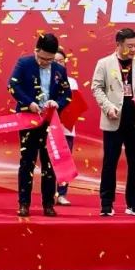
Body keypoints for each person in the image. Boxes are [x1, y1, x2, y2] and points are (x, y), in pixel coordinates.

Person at [91, 27, 135, 217]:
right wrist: (107, 107)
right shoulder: (104, 63)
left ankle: (134, 203)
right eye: (129, 46)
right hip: (114, 117)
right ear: (118, 44)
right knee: (110, 162)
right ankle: (106, 203)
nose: (133, 49)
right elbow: (96, 88)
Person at [8, 33, 72, 217]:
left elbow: (67, 94)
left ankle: (48, 204)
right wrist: (29, 103)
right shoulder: (24, 63)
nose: (45, 62)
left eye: (49, 59)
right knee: (27, 162)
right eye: (42, 58)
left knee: (49, 163)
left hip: (50, 122)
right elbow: (13, 86)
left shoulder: (59, 69)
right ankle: (24, 204)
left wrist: (57, 103)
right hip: (28, 119)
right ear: (36, 50)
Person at [53, 48, 79, 206]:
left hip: (67, 128)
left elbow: (74, 105)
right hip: (50, 128)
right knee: (50, 162)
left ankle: (62, 194)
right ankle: (50, 194)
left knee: (65, 162)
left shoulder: (71, 82)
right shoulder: (46, 81)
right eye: (55, 61)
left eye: (61, 61)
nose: (58, 64)